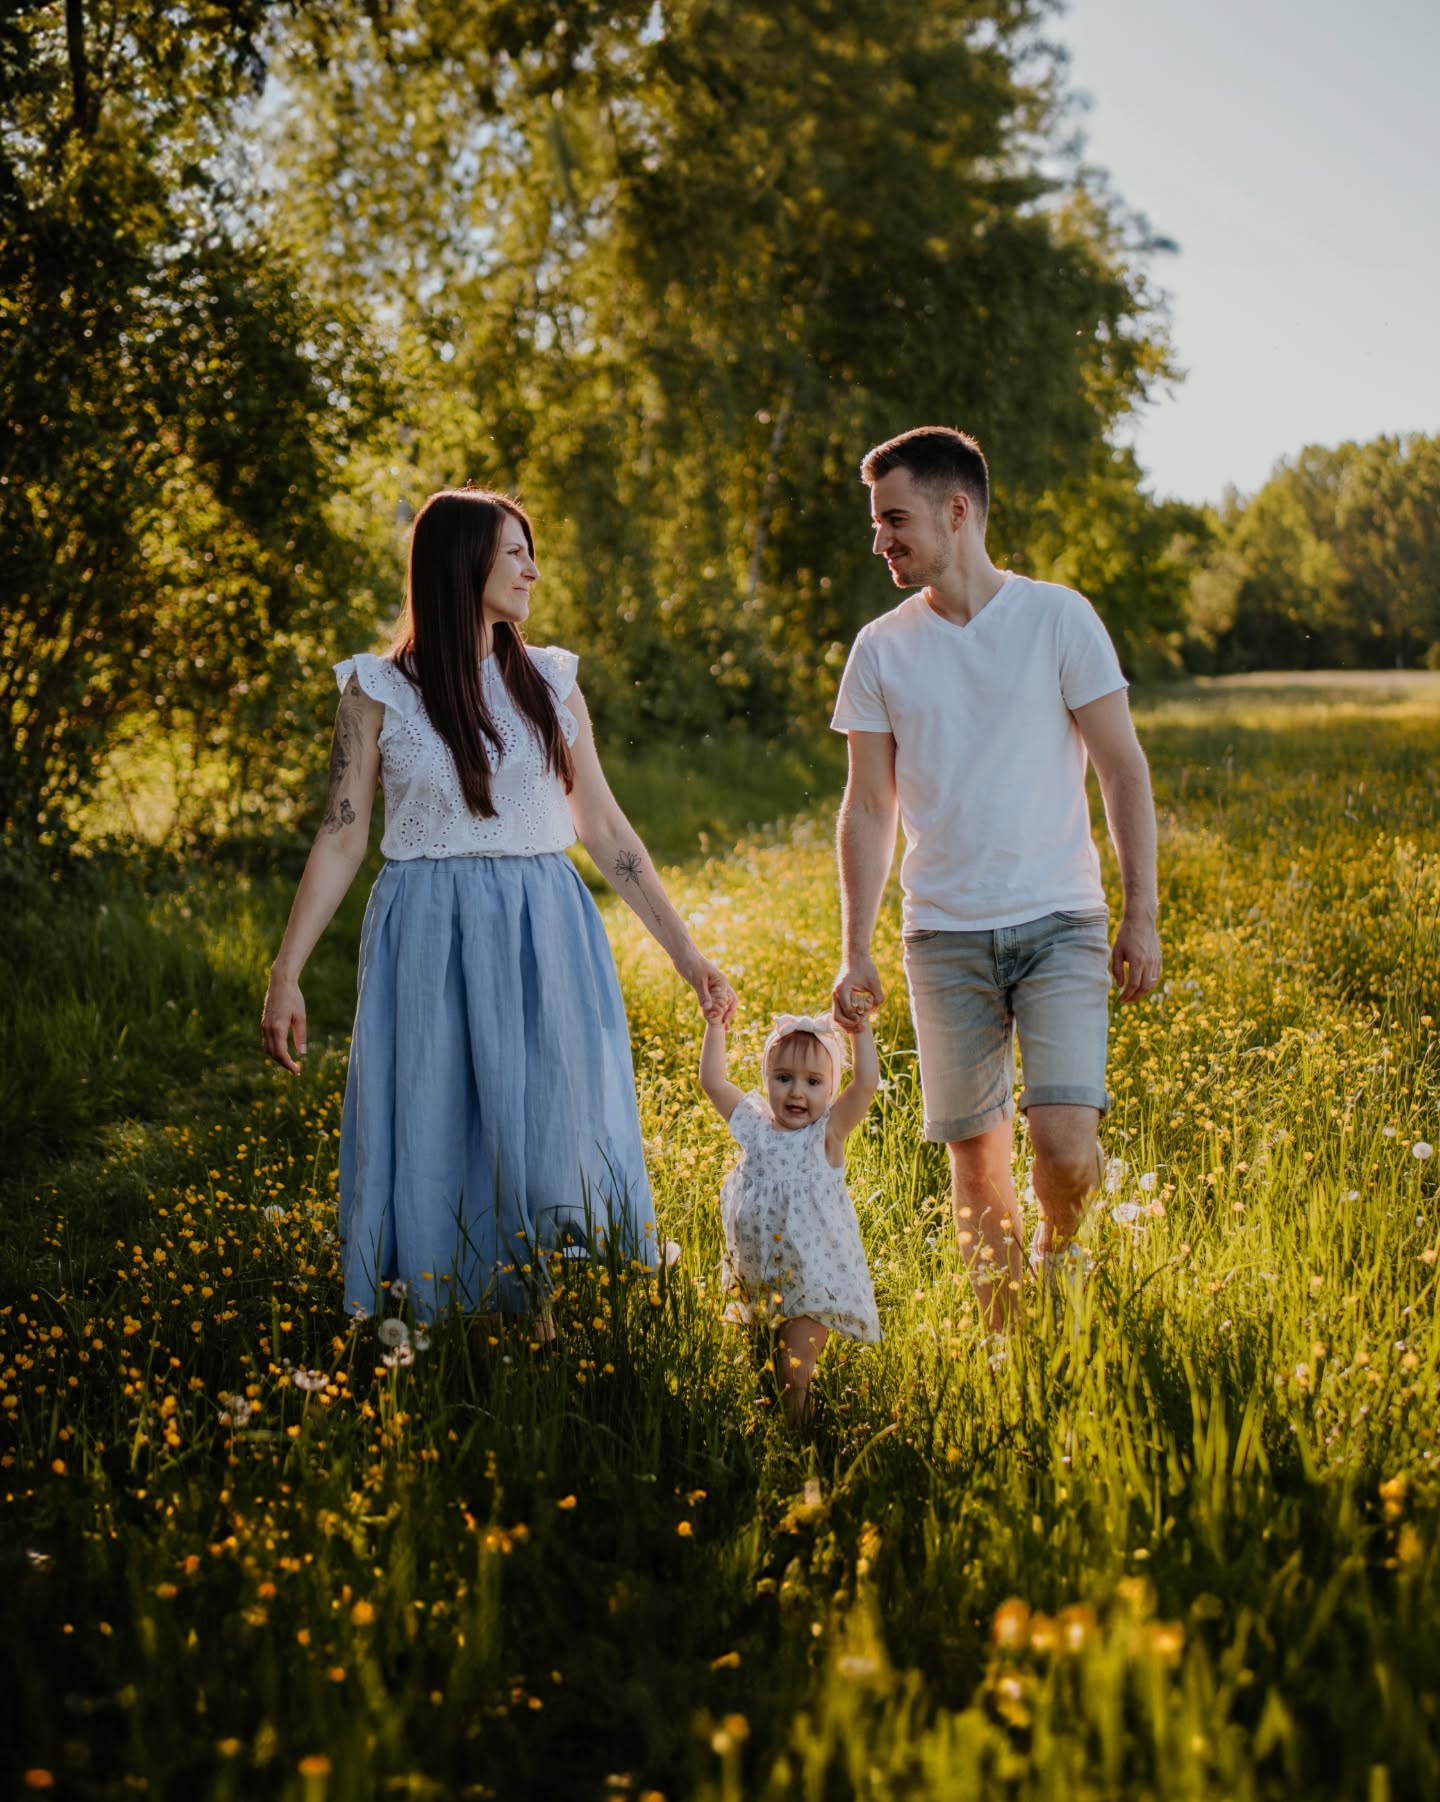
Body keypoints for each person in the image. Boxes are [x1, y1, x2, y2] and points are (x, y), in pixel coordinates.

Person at [261, 487, 735, 1322]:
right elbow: (340, 836)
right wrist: (286, 970)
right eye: (514, 551)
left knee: (547, 1112)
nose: (532, 570)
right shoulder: (376, 692)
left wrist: (685, 950)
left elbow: (604, 826)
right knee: (436, 1112)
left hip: (541, 922)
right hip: (423, 928)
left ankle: (542, 1302)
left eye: (529, 551)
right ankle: (447, 1303)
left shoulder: (549, 681)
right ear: (461, 561)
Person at [828, 427, 1161, 1337]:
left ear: (955, 511)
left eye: (895, 519)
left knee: (1065, 1148)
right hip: (943, 936)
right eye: (877, 523)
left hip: (1061, 921)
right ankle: (1009, 1355)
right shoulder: (880, 649)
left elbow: (1122, 770)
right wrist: (856, 948)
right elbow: (869, 807)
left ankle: (1062, 1247)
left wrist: (1141, 915)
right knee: (975, 1158)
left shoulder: (1058, 618)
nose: (880, 540)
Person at [699, 1006, 881, 1424]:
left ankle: (798, 1441)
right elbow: (712, 1082)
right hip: (758, 1276)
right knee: (759, 1361)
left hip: (812, 1280)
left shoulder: (827, 1134)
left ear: (831, 1090)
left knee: (792, 1370)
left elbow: (866, 1084)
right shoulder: (755, 1126)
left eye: (813, 1082)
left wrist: (860, 1030)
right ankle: (768, 1426)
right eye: (784, 1078)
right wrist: (714, 1026)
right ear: (767, 1080)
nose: (797, 1092)